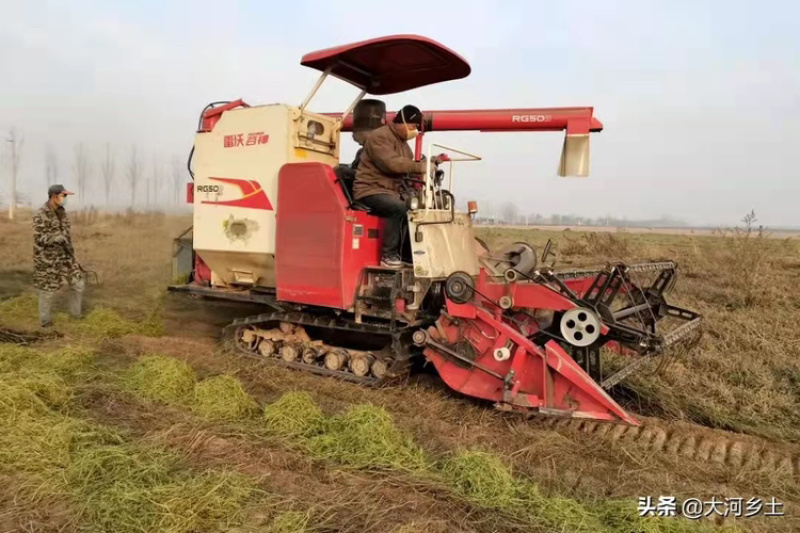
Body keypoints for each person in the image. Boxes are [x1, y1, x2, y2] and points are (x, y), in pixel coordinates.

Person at [354, 104, 441, 268]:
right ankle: (388, 256)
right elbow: (392, 164)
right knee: (398, 207)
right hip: (370, 189)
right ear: (402, 122)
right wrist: (420, 167)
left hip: (390, 190)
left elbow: (407, 166)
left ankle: (408, 255)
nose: (414, 131)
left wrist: (428, 162)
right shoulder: (379, 137)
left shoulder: (403, 145)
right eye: (413, 126)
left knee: (418, 209)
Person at [33, 184, 84, 327]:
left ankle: (76, 315)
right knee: (47, 290)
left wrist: (72, 255)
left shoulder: (63, 213)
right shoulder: (40, 214)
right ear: (54, 196)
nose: (65, 198)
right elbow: (39, 238)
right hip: (47, 259)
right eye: (63, 195)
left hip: (66, 257)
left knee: (78, 283)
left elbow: (67, 236)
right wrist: (54, 237)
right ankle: (45, 322)